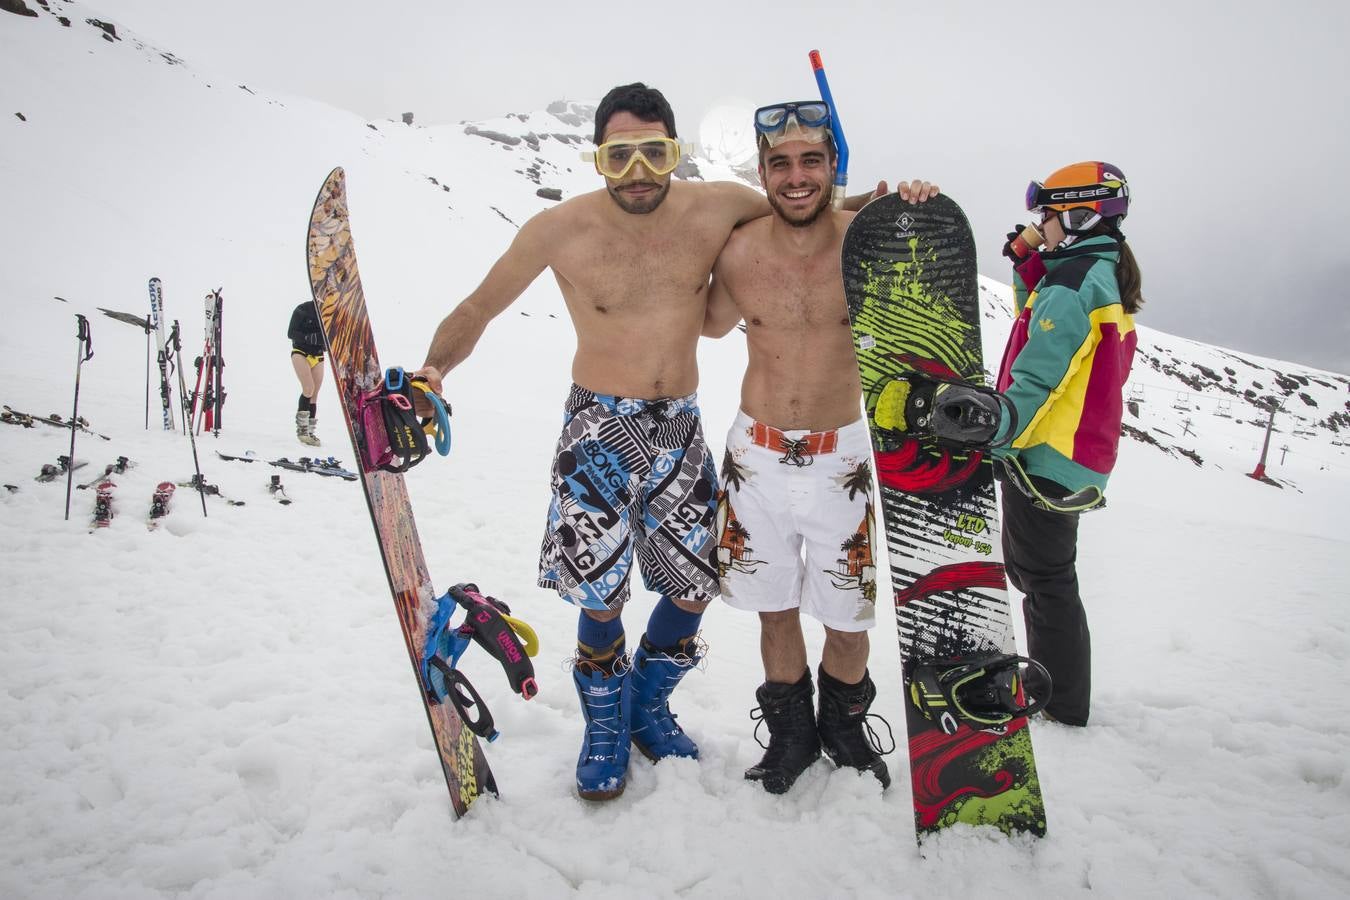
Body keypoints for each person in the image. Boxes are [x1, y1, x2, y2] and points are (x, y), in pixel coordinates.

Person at [415, 83, 778, 802]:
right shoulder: (559, 228)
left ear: (676, 151)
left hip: (680, 424)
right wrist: (434, 369)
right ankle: (606, 725)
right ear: (599, 159)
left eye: (654, 151)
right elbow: (479, 305)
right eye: (619, 155)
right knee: (600, 590)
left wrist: (886, 202)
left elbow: (809, 209)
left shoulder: (719, 205)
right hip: (597, 430)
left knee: (697, 578)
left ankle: (645, 701)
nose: (638, 169)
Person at [703, 99, 938, 794]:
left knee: (849, 612)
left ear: (834, 166)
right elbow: (708, 323)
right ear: (764, 172)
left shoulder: (870, 243)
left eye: (811, 161)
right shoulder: (739, 250)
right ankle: (792, 737)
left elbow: (933, 275)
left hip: (841, 456)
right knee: (773, 606)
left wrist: (916, 206)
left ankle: (843, 728)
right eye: (780, 164)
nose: (796, 176)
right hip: (756, 456)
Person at [934, 161, 1141, 727]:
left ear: (1077, 216)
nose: (1037, 226)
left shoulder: (1073, 287)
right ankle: (1057, 687)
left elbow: (1041, 377)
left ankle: (1063, 705)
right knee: (1037, 575)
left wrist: (997, 422)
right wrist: (1029, 261)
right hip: (1072, 457)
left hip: (1048, 457)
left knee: (1046, 581)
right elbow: (1041, 315)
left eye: (1045, 217)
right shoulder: (1088, 275)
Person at [288, 300, 325, 446]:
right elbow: (290, 333)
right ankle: (302, 431)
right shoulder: (303, 309)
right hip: (300, 352)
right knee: (308, 388)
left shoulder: (330, 312)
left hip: (318, 354)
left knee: (315, 393)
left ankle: (310, 431)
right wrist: (309, 338)